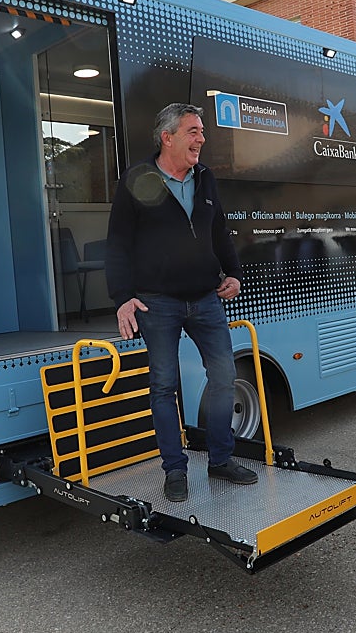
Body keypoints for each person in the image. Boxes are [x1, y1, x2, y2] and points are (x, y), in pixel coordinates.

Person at [106, 103, 256, 502]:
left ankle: (221, 459)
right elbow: (118, 245)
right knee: (163, 386)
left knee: (224, 376)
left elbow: (220, 230)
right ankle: (175, 469)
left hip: (206, 297)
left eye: (202, 131)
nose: (201, 139)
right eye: (193, 131)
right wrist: (122, 298)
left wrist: (234, 273)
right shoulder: (137, 180)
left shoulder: (205, 179)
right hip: (157, 303)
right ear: (167, 137)